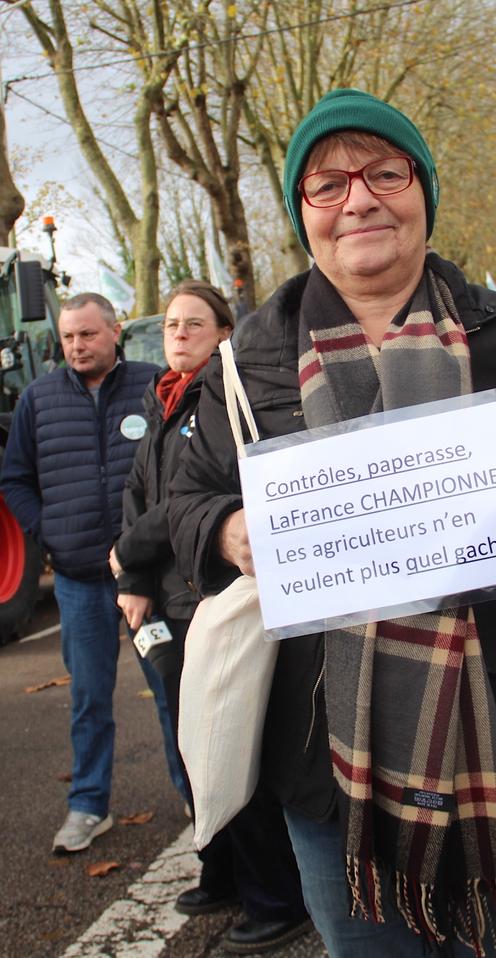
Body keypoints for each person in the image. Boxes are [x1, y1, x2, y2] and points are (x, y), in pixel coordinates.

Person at [168, 90, 496, 958]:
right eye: (326, 185)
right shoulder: (248, 360)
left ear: (422, 193)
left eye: (385, 173)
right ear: (304, 215)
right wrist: (224, 531)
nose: (359, 198)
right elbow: (178, 502)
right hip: (329, 759)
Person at [109, 279, 309, 955]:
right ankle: (219, 868)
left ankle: (276, 897)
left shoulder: (226, 401)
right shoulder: (161, 402)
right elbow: (140, 497)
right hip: (163, 601)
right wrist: (134, 577)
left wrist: (122, 552)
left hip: (212, 599)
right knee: (188, 745)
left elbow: (179, 508)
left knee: (231, 742)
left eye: (196, 323)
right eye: (170, 323)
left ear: (226, 334)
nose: (179, 333)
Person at [0, 292, 175, 853]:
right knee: (89, 701)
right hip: (78, 582)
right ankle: (88, 807)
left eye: (88, 335)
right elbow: (15, 478)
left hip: (150, 581)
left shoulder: (152, 384)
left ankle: (201, 803)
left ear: (114, 332)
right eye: (69, 337)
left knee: (174, 693)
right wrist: (45, 530)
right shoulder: (37, 399)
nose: (77, 346)